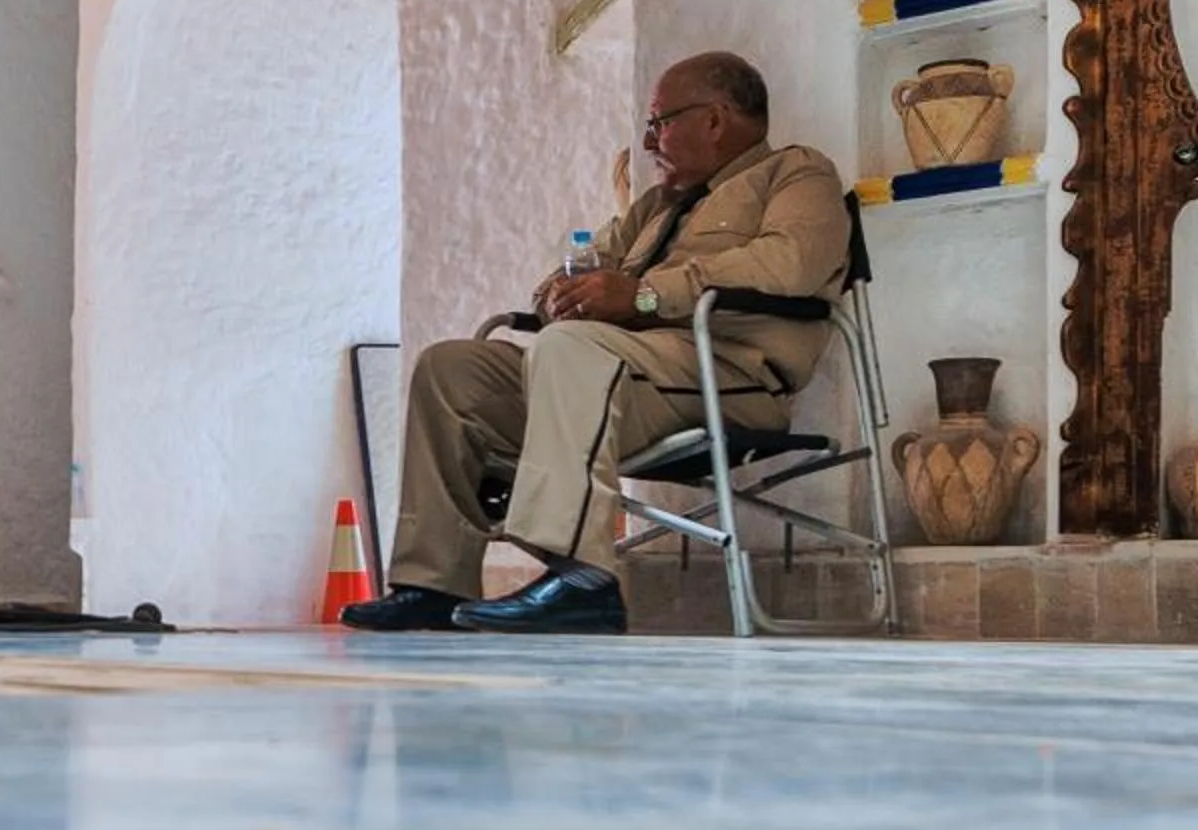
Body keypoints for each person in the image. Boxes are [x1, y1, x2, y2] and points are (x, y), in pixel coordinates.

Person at [342, 52, 848, 635]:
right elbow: (578, 269)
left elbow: (790, 265)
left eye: (661, 121)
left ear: (714, 120)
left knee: (573, 349)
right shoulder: (655, 208)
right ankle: (433, 584)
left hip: (726, 375)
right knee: (451, 367)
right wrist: (561, 294)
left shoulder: (797, 173)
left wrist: (645, 297)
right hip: (611, 378)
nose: (650, 137)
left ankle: (583, 579)